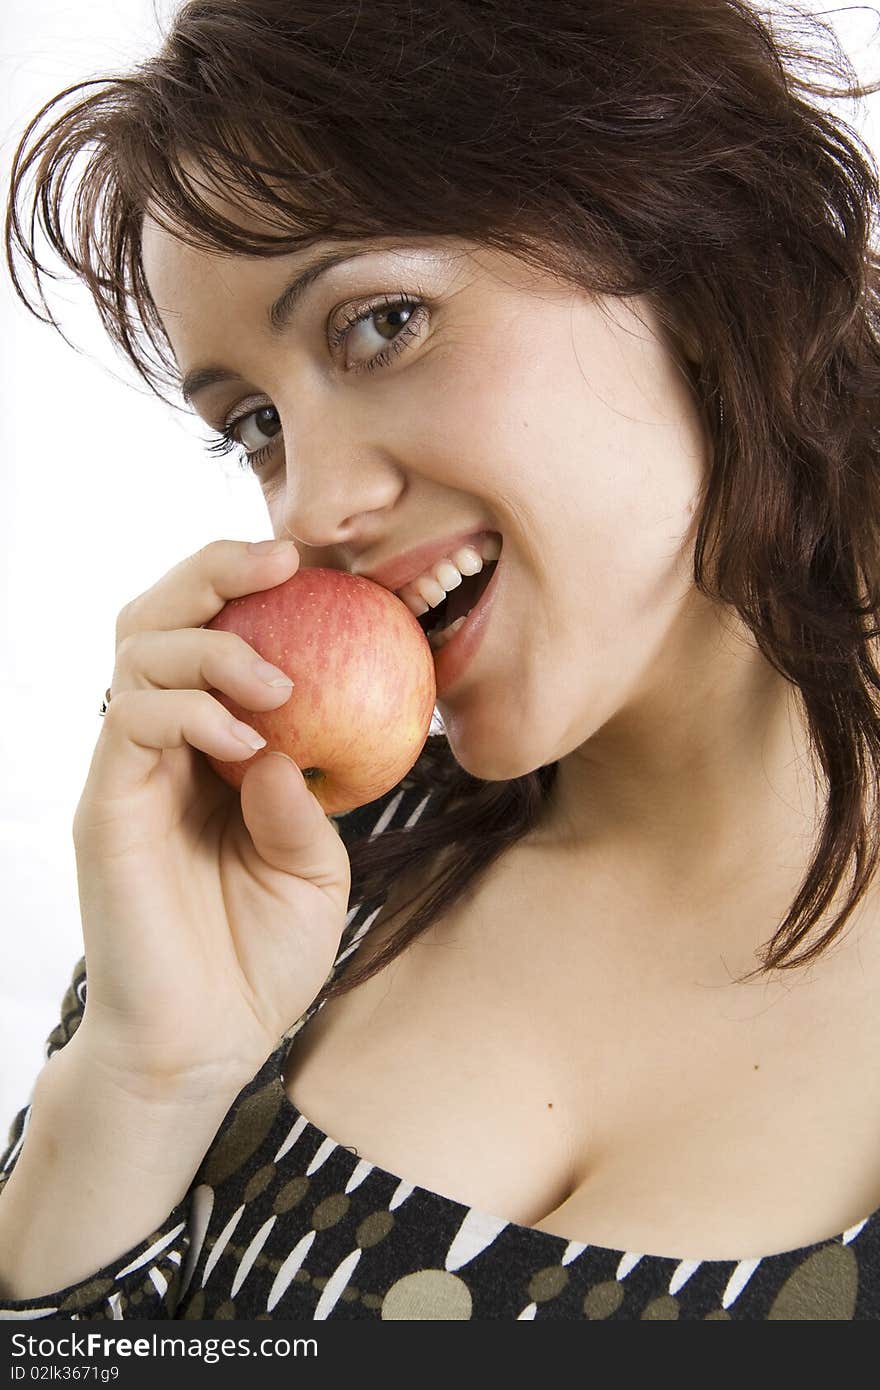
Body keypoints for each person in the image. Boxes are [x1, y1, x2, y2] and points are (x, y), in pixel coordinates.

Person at [1, 0, 879, 1322]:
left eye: (384, 322)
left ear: (694, 250)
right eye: (256, 424)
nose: (304, 511)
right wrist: (140, 1071)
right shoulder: (295, 870)